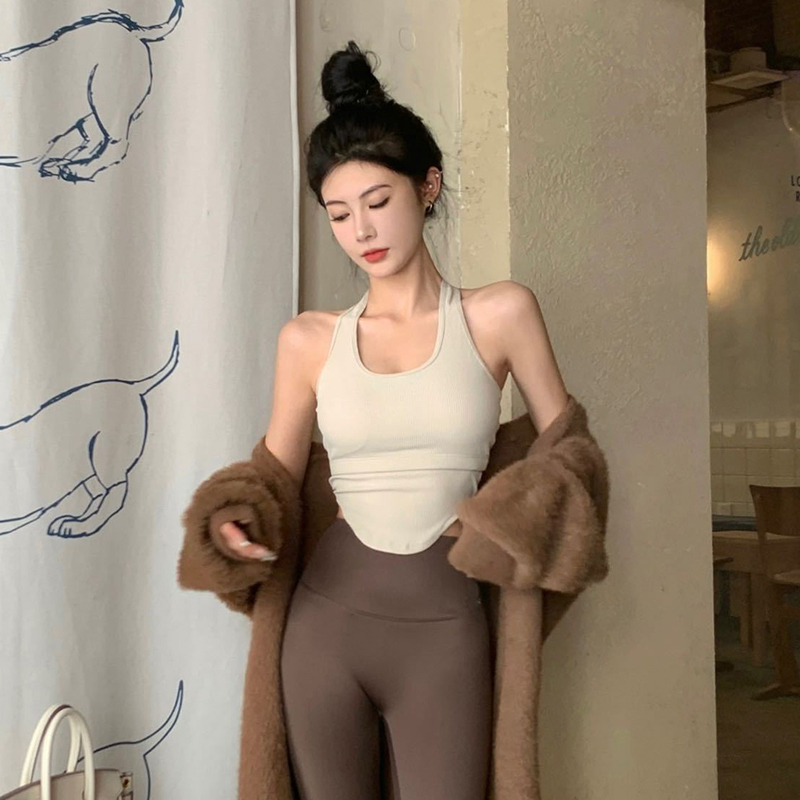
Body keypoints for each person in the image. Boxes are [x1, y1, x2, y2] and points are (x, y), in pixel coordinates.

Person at [212, 40, 570, 800]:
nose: (362, 232)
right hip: (325, 625)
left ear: (427, 185)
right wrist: (234, 521)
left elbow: (568, 459)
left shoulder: (501, 314)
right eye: (340, 214)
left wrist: (517, 521)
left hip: (446, 627)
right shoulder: (308, 340)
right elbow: (272, 482)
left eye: (378, 203)